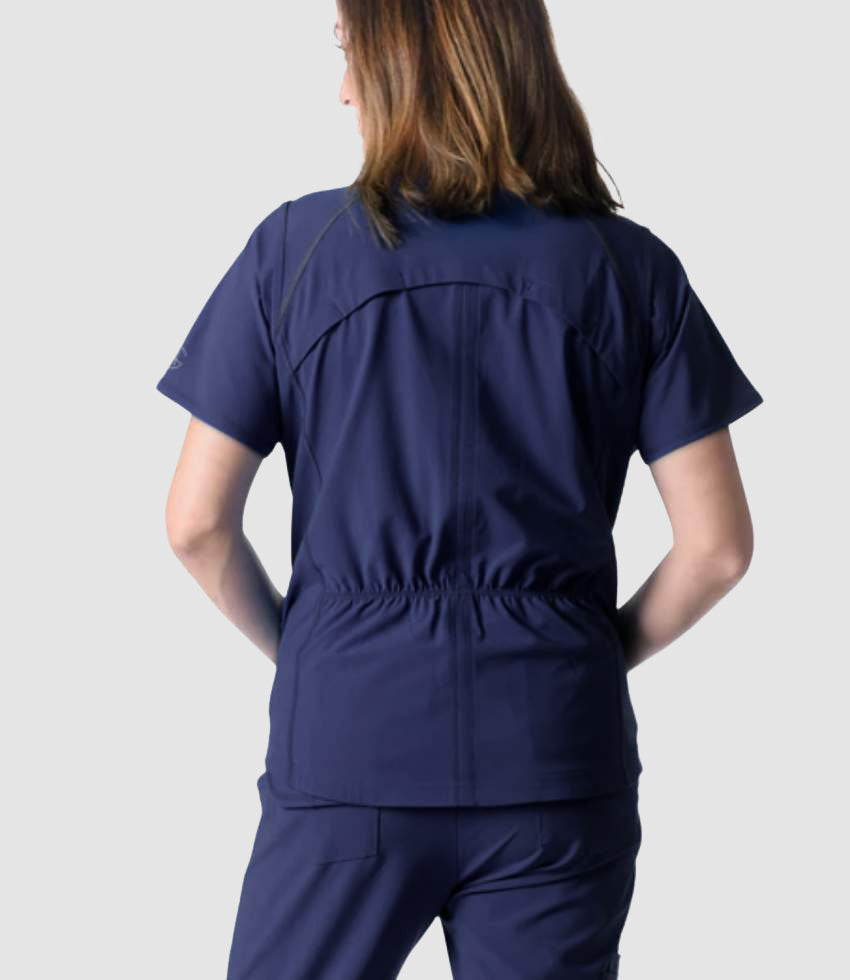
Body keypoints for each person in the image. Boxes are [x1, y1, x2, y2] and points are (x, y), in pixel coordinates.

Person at [155, 2, 764, 977]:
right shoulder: (630, 269)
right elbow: (717, 548)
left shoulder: (294, 251)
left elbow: (195, 523)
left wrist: (312, 650)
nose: (341, 89)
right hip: (556, 745)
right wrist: (580, 652)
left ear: (404, 66)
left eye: (350, 53)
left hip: (348, 738)